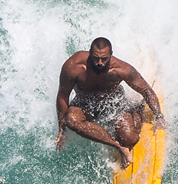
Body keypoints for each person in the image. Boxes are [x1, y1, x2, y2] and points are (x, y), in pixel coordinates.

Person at [55, 37, 165, 165]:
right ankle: (118, 146)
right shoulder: (73, 66)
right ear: (89, 53)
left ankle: (136, 110)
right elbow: (62, 96)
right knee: (72, 120)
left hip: (113, 103)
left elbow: (146, 90)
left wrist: (159, 116)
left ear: (111, 55)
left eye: (104, 59)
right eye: (96, 58)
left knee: (129, 138)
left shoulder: (121, 69)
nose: (100, 62)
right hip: (85, 102)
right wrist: (61, 128)